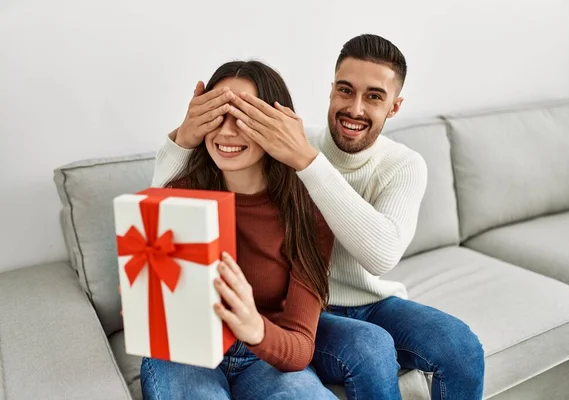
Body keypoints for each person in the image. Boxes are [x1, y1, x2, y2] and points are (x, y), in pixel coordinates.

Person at [152, 34, 485, 400]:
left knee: (457, 347)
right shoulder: (286, 142)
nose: (355, 108)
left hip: (345, 304)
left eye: (374, 96)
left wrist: (306, 162)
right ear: (330, 91)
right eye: (345, 90)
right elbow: (158, 216)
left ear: (394, 106)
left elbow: (381, 255)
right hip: (283, 318)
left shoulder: (319, 160)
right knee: (367, 347)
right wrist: (184, 137)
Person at [140, 60, 338, 399]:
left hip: (264, 356)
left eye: (244, 117)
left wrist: (254, 327)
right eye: (217, 114)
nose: (227, 131)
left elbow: (301, 347)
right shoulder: (179, 194)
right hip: (185, 355)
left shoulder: (309, 209)